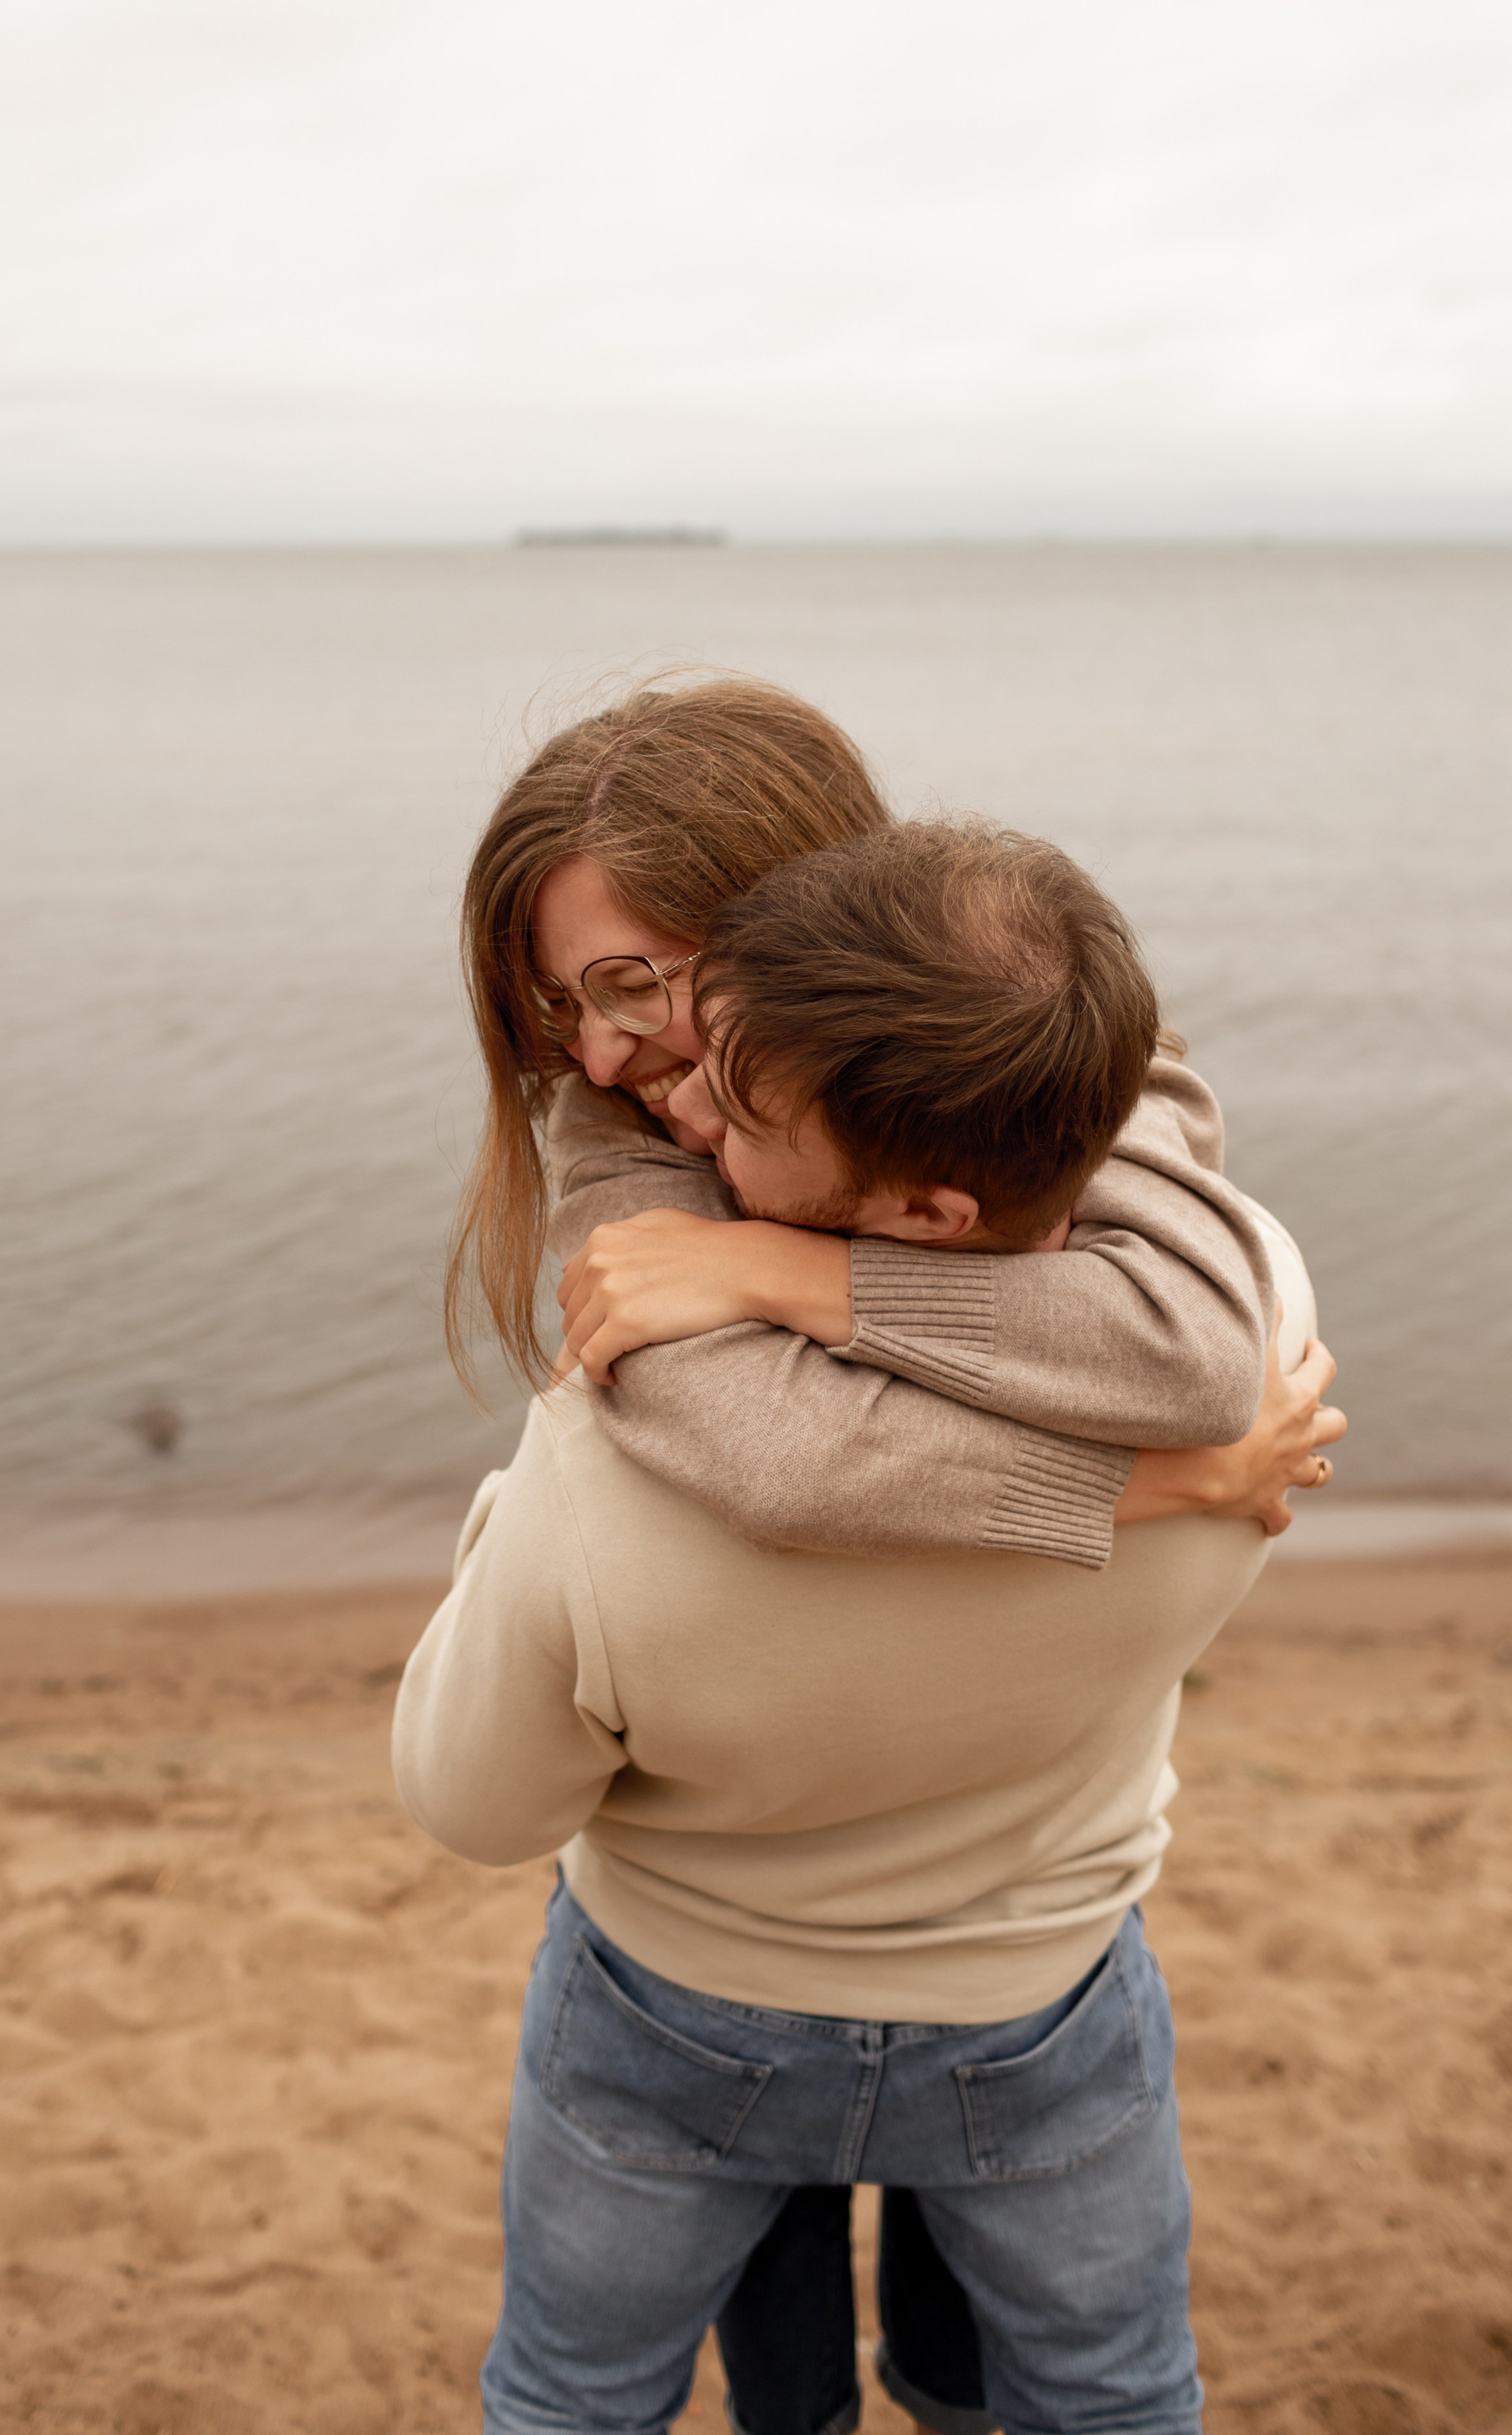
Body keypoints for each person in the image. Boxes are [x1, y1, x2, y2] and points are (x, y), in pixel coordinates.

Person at [432, 679, 1341, 2433]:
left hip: (743, 1974)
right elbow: (772, 1451)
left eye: (633, 982)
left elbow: (1179, 1349)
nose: (603, 1058)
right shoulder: (619, 1143)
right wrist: (1145, 1490)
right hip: (1019, 1961)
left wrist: (787, 1276)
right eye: (553, 1004)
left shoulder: (1014, 1041)